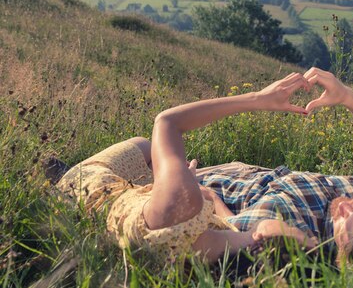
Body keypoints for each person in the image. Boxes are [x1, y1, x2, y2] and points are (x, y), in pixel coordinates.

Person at [53, 75, 320, 265]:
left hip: (91, 190)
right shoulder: (222, 254)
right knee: (154, 168)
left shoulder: (182, 208)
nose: (307, 231)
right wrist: (205, 192)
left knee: (143, 144)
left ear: (264, 239)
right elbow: (227, 223)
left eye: (305, 237)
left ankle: (58, 177)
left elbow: (168, 121)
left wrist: (259, 98)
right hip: (144, 207)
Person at [195, 67, 353, 264]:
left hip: (207, 188)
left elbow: (228, 233)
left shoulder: (292, 241)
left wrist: (210, 199)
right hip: (240, 168)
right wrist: (346, 96)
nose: (344, 207)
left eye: (342, 222)